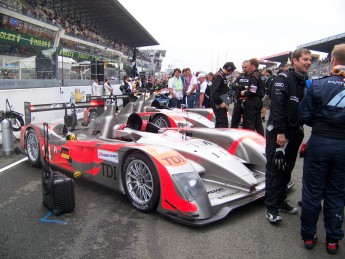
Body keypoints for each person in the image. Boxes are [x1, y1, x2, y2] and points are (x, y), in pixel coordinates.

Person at [299, 44, 345, 254]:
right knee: (336, 193)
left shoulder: (317, 85)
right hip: (343, 146)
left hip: (319, 142)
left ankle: (309, 236)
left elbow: (304, 115)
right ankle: (333, 240)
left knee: (312, 192)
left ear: (333, 61)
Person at [265, 48, 312, 224]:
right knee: (275, 168)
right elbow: (277, 106)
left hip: (295, 131)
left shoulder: (304, 81)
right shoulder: (282, 79)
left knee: (288, 167)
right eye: (305, 59)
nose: (308, 62)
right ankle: (271, 207)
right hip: (279, 132)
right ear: (294, 61)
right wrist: (280, 132)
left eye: (309, 60)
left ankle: (280, 200)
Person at [241, 58, 265, 136]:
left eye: (249, 65)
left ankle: (250, 140)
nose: (248, 67)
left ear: (253, 66)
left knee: (250, 122)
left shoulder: (254, 76)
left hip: (253, 101)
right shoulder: (261, 75)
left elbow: (252, 91)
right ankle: (262, 139)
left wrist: (244, 92)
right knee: (258, 122)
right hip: (259, 100)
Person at [210, 62, 236, 128]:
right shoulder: (219, 76)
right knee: (222, 122)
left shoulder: (223, 76)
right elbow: (214, 91)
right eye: (232, 70)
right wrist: (220, 102)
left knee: (222, 121)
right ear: (229, 69)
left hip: (223, 99)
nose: (232, 72)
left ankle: (217, 136)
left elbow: (224, 89)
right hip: (218, 101)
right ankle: (219, 137)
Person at [230, 60, 250, 128]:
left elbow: (253, 89)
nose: (244, 69)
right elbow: (232, 86)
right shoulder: (240, 76)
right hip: (238, 101)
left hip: (248, 102)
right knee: (234, 120)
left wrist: (239, 87)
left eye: (245, 67)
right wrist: (243, 87)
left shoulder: (253, 76)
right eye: (242, 67)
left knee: (247, 123)